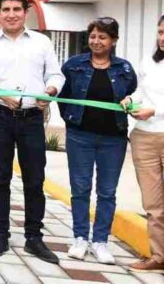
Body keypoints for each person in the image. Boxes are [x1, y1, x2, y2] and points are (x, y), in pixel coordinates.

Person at [0, 0, 64, 263]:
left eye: (17, 9)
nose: (11, 14)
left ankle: (34, 238)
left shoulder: (41, 42)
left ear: (25, 12)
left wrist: (49, 91)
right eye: (6, 9)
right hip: (1, 116)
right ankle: (1, 234)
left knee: (35, 179)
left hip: (32, 118)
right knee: (0, 177)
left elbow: (55, 74)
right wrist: (0, 94)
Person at [57, 17, 136, 264]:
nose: (96, 41)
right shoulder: (73, 65)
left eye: (102, 37)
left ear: (113, 41)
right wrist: (71, 120)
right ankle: (80, 238)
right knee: (80, 189)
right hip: (80, 137)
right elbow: (64, 96)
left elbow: (133, 95)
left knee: (107, 191)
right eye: (93, 36)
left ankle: (101, 241)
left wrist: (130, 102)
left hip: (114, 139)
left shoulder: (124, 69)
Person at [121, 14, 164, 273]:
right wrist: (129, 98)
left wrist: (155, 111)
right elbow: (142, 91)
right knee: (153, 204)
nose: (162, 38)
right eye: (160, 32)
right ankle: (158, 256)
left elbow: (155, 104)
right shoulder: (149, 61)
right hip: (144, 138)